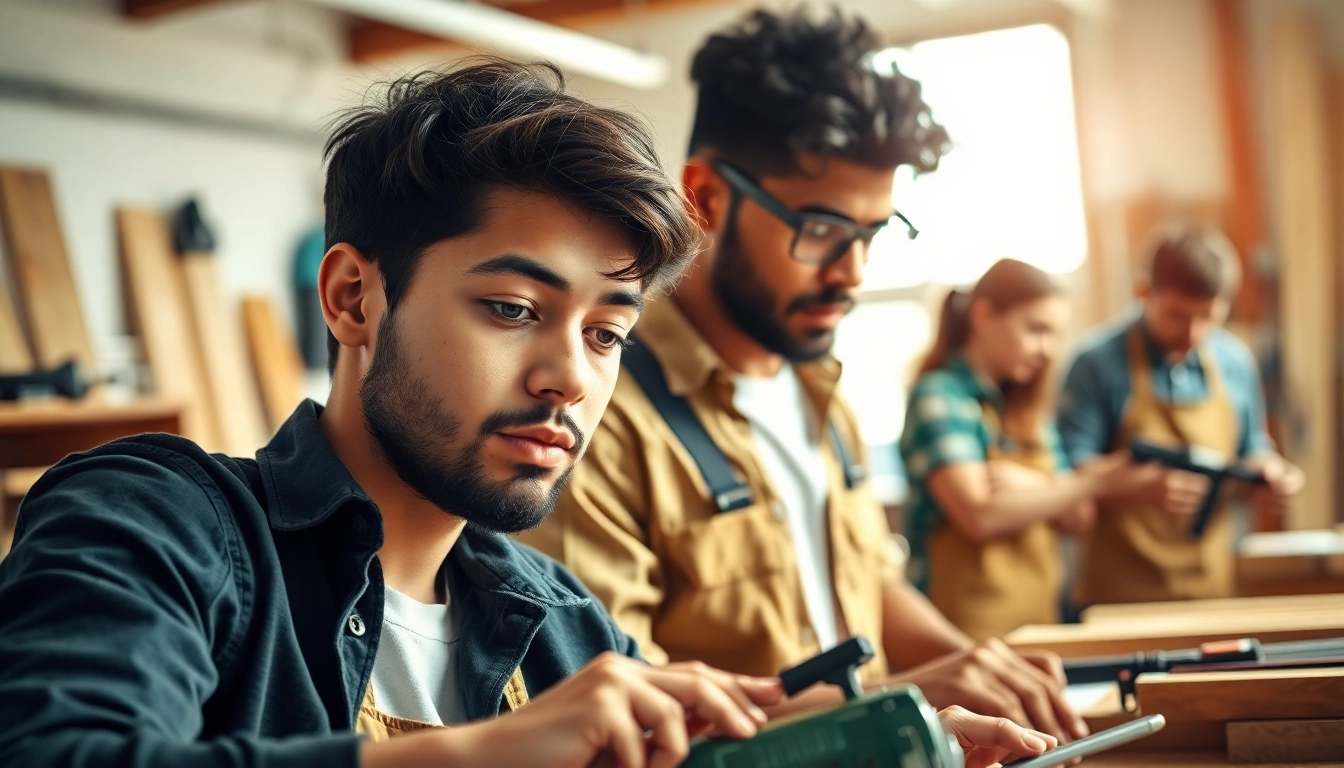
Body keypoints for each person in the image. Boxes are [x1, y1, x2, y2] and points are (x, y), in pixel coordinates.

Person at [0, 59, 1058, 768]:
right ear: (352, 297)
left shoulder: (556, 623)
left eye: (607, 333)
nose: (569, 378)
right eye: (513, 309)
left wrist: (896, 738)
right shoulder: (154, 521)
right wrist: (480, 753)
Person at [520, 9, 1089, 744]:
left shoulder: (819, 387)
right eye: (821, 230)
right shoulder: (597, 420)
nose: (852, 272)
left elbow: (866, 585)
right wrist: (901, 701)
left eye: (873, 233)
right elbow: (620, 718)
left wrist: (972, 664)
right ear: (707, 197)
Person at [1058, 224, 1304, 606]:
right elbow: (1070, 474)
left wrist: (1268, 473)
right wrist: (1133, 485)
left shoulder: (1234, 362)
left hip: (1211, 588)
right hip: (1120, 597)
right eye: (1177, 315)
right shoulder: (1095, 364)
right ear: (1144, 293)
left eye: (1208, 317)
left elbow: (1251, 447)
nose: (1192, 333)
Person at [900, 259, 1126, 641]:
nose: (1048, 349)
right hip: (965, 635)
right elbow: (980, 516)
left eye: (1055, 334)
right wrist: (1091, 484)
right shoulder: (939, 397)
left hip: (1040, 626)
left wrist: (1030, 482)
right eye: (1036, 329)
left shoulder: (1029, 414)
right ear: (984, 315)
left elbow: (1080, 520)